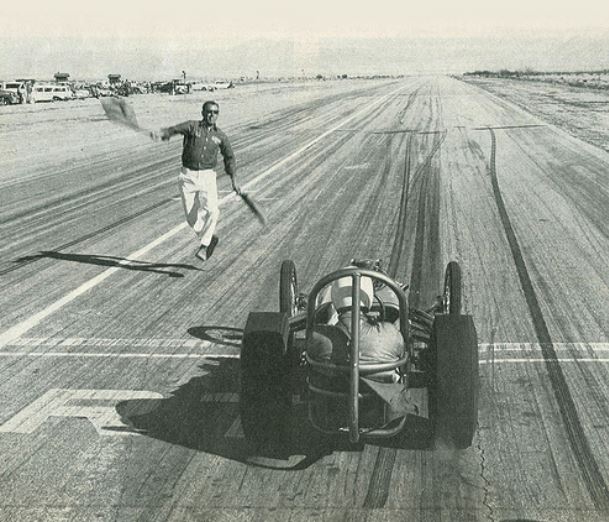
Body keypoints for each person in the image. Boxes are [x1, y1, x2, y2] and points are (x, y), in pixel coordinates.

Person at [151, 101, 240, 261]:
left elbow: (229, 157)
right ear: (203, 113)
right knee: (191, 218)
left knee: (213, 210)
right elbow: (174, 129)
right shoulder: (192, 127)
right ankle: (210, 238)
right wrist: (164, 134)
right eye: (209, 112)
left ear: (218, 115)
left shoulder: (220, 136)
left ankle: (205, 244)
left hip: (208, 177)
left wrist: (234, 180)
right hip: (187, 177)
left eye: (215, 112)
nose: (212, 115)